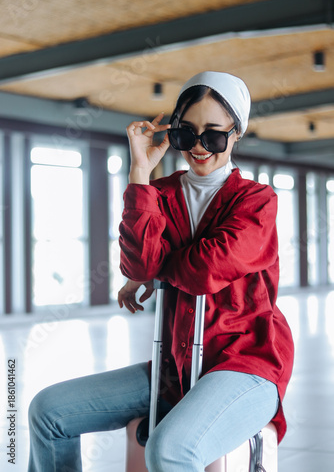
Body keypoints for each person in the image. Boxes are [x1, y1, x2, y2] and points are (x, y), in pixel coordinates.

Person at [28, 71, 294, 472]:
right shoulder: (161, 192)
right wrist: (140, 172)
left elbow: (205, 270)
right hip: (174, 366)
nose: (200, 147)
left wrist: (155, 269)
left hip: (246, 364)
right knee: (48, 412)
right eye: (187, 134)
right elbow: (136, 264)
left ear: (236, 134)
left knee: (169, 450)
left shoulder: (257, 201)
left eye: (215, 135)